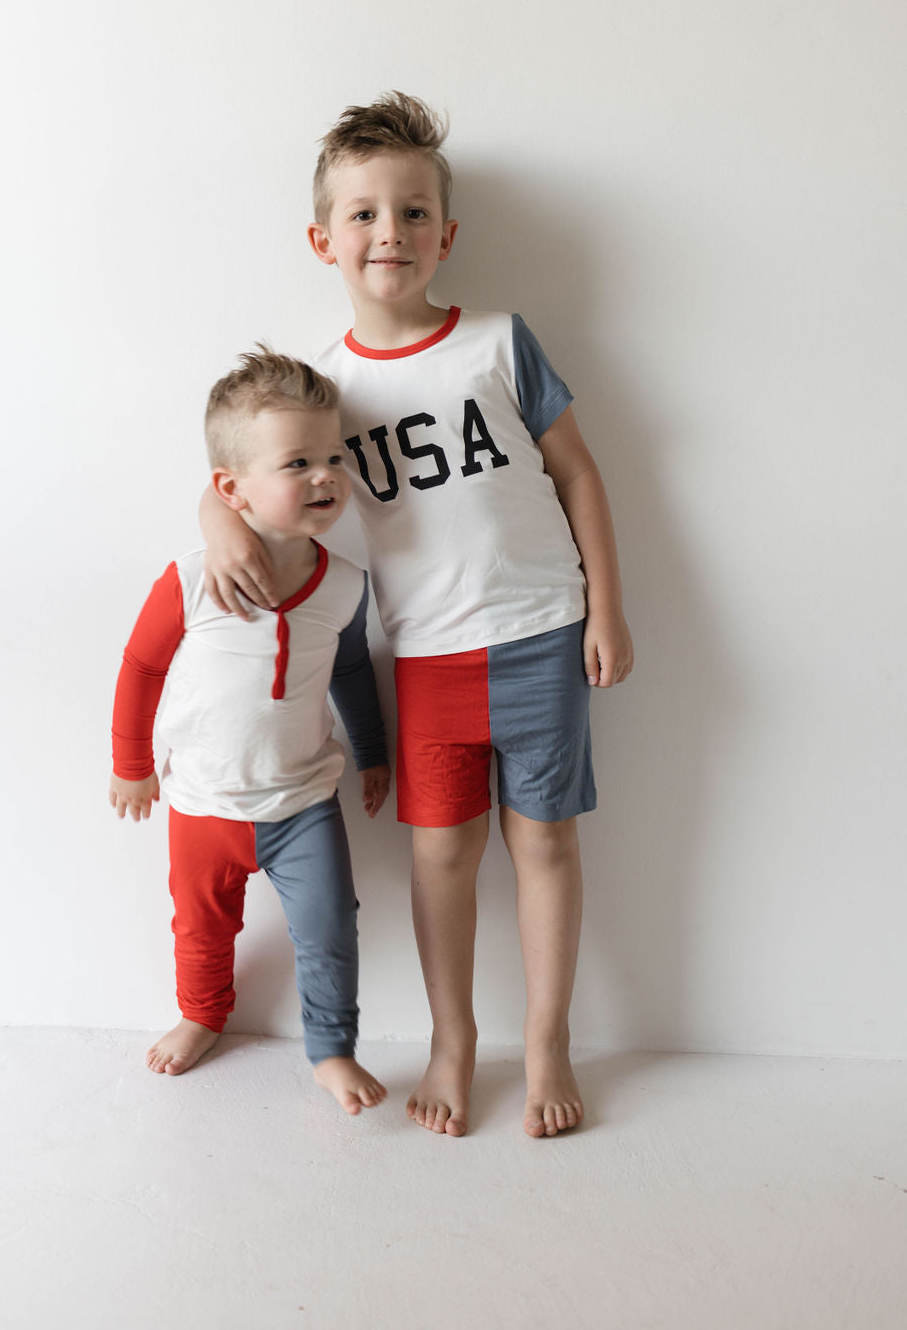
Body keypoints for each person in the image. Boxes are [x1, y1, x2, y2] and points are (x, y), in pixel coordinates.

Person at [200, 95, 633, 1138]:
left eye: (412, 211)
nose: (388, 232)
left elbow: (579, 471)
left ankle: (549, 1041)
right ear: (324, 240)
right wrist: (210, 519)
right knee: (443, 855)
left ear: (446, 231)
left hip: (541, 634)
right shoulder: (332, 389)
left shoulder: (499, 341)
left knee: (545, 843)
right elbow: (249, 455)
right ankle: (453, 1042)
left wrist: (607, 608)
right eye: (362, 213)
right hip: (428, 656)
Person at [110, 349, 390, 1116]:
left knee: (330, 928)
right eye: (297, 462)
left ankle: (332, 1048)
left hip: (303, 803)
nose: (324, 475)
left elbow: (352, 672)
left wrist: (373, 752)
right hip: (203, 801)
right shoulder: (191, 579)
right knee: (201, 926)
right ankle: (202, 1014)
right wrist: (132, 764)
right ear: (230, 488)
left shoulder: (345, 586)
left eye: (333, 457)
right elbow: (140, 666)